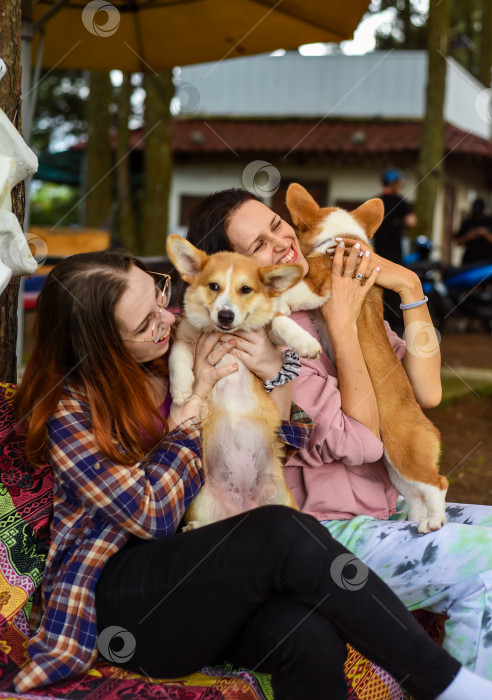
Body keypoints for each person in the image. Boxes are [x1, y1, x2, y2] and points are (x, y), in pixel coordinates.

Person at [10, 249, 484, 700]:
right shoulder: (71, 409)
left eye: (159, 293)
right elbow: (150, 514)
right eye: (147, 322)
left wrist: (273, 370)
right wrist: (193, 406)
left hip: (203, 569)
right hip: (123, 600)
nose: (168, 316)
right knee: (279, 529)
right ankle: (444, 683)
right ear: (102, 345)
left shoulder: (173, 348)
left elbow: (288, 435)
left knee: (310, 636)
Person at [186, 187, 492, 683]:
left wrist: (409, 285)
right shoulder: (261, 335)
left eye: (277, 225)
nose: (282, 241)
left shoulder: (337, 295)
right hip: (321, 532)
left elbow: (427, 390)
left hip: (380, 507)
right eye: (259, 244)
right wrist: (341, 326)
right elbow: (364, 442)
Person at [373, 168, 417, 334]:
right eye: (400, 183)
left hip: (377, 254)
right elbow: (412, 222)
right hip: (395, 255)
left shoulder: (376, 201)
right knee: (395, 290)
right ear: (393, 183)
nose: (401, 186)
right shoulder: (400, 201)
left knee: (378, 291)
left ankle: (378, 325)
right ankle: (396, 328)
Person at [453, 198, 492, 265]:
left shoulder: (490, 221)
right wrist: (469, 236)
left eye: (479, 213)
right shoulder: (467, 222)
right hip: (469, 261)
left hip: (487, 262)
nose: (478, 216)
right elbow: (458, 241)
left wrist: (484, 233)